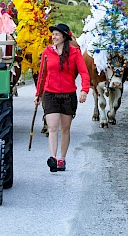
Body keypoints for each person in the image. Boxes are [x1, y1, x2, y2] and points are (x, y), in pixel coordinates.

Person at [35, 22, 90, 172]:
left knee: (65, 129)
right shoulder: (47, 52)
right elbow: (42, 75)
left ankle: (62, 159)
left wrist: (84, 90)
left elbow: (84, 72)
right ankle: (52, 158)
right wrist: (38, 94)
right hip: (50, 94)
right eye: (53, 34)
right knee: (52, 127)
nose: (53, 37)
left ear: (65, 37)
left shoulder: (74, 52)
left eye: (57, 34)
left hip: (68, 95)